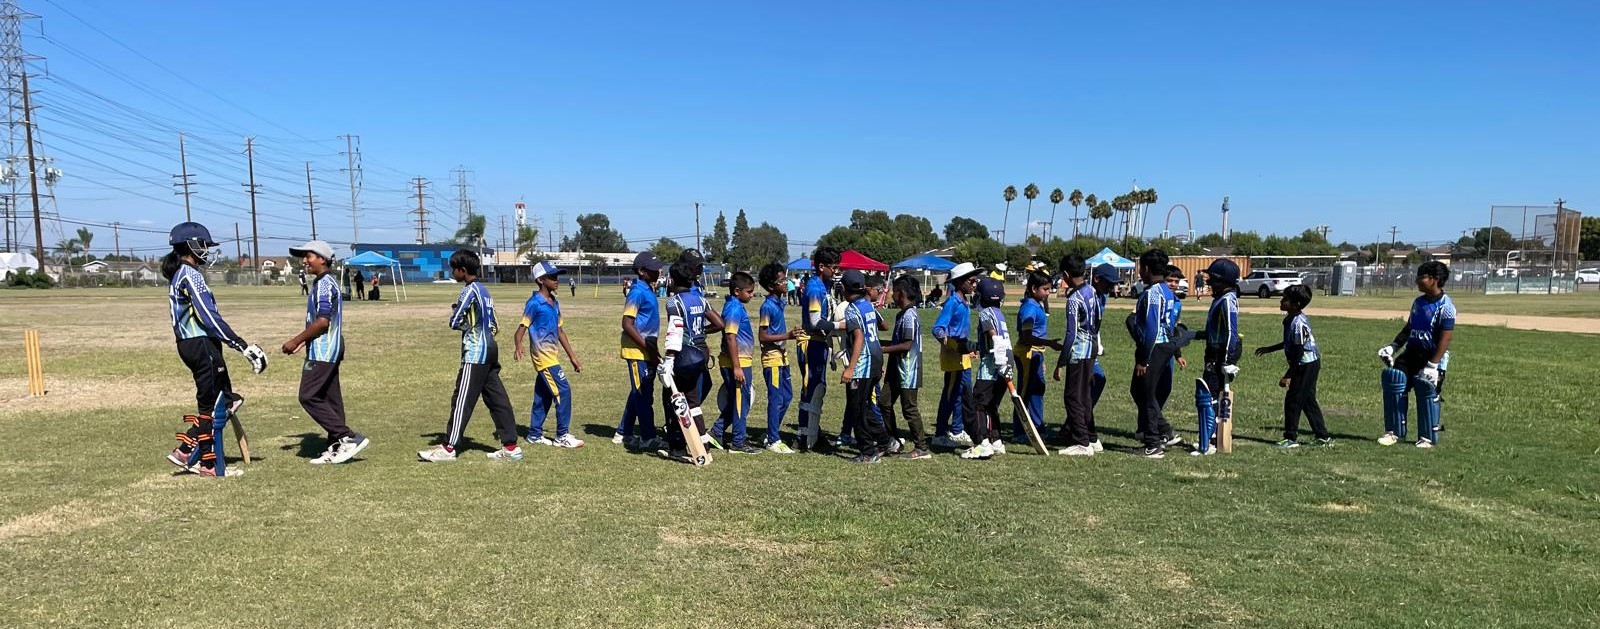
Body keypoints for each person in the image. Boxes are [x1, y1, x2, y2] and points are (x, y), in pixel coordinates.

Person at [161, 222, 267, 477]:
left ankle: (190, 450)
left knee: (224, 400)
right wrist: (241, 345)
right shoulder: (189, 275)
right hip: (200, 344)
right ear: (191, 246)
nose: (208, 251)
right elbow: (208, 316)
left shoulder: (181, 274)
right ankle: (206, 463)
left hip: (192, 345)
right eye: (205, 246)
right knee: (215, 406)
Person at [418, 250, 523, 462]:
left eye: (453, 269)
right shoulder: (485, 291)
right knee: (497, 398)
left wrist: (458, 313)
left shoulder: (468, 291)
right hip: (491, 349)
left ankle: (449, 448)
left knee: (462, 399)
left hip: (475, 352)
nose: (452, 272)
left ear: (462, 270)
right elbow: (495, 325)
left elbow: (455, 321)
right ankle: (511, 446)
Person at [284, 240, 371, 465]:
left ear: (322, 259)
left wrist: (296, 340)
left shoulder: (324, 284)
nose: (304, 261)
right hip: (326, 348)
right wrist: (307, 340)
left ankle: (348, 437)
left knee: (308, 395)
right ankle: (336, 446)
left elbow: (322, 322)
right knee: (331, 399)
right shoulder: (324, 283)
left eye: (309, 256)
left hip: (323, 351)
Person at [1377, 261, 1455, 449]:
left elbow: (1445, 339)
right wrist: (1393, 347)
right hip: (1411, 353)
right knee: (1395, 384)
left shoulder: (1446, 306)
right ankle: (1394, 432)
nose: (1418, 280)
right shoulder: (1418, 302)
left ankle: (1426, 437)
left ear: (1435, 279)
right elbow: (1409, 327)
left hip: (1431, 356)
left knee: (1426, 393)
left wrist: (1433, 365)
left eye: (1423, 277)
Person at [516, 262, 585, 448]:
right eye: (552, 277)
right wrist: (518, 345)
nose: (557, 280)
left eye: (557, 276)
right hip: (543, 358)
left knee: (543, 395)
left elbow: (560, 331)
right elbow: (521, 328)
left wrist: (573, 357)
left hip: (552, 356)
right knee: (563, 391)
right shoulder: (534, 304)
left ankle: (534, 434)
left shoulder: (555, 303)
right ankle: (562, 436)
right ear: (540, 280)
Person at [1254, 285, 1331, 448]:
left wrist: (1289, 375)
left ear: (1295, 304)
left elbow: (1299, 351)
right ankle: (1322, 436)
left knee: (1293, 401)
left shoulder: (1298, 322)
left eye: (1285, 300)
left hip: (1306, 364)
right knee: (1307, 400)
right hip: (1305, 363)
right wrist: (1270, 349)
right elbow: (1291, 343)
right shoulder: (1291, 318)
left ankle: (1291, 438)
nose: (1281, 302)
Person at [659, 259, 720, 459]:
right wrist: (700, 331)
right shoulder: (700, 299)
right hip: (701, 352)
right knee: (693, 401)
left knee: (673, 400)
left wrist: (668, 360)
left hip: (684, 354)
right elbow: (719, 323)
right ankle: (703, 444)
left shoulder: (673, 302)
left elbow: (674, 332)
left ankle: (677, 447)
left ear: (673, 279)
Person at [837, 270, 893, 463]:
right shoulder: (868, 306)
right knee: (866, 405)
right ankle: (885, 441)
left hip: (862, 364)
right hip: (875, 359)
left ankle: (868, 452)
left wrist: (850, 368)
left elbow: (859, 338)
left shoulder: (851, 309)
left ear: (844, 288)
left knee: (856, 408)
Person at [1130, 249, 1179, 458]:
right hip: (1165, 345)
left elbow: (1151, 329)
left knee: (1147, 394)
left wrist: (1143, 358)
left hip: (1154, 347)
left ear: (1147, 269)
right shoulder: (1167, 291)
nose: (1140, 272)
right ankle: (1163, 431)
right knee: (1139, 391)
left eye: (1141, 268)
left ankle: (1153, 443)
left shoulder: (1152, 294)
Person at [614, 252, 666, 449]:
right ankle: (647, 437)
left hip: (647, 351)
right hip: (637, 351)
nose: (659, 272)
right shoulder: (637, 292)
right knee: (643, 395)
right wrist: (647, 347)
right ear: (642, 271)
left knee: (639, 393)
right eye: (654, 269)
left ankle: (623, 432)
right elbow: (627, 323)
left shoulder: (648, 289)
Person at [1193, 259, 1242, 456]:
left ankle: (1211, 441)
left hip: (1221, 352)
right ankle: (1211, 437)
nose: (1209, 282)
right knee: (1213, 392)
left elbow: (1231, 331)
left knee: (1211, 394)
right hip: (1214, 349)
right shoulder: (1219, 298)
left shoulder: (1228, 300)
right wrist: (1192, 335)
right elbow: (1213, 330)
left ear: (1223, 281)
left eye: (1212, 279)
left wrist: (1228, 359)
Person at [797, 247, 844, 450]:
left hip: (820, 343)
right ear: (821, 266)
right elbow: (816, 322)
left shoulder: (825, 286)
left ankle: (813, 434)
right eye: (833, 267)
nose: (836, 271)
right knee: (811, 389)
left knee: (818, 388)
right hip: (811, 342)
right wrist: (838, 326)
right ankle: (804, 437)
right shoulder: (815, 288)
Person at [1052, 255, 1100, 456]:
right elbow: (1098, 320)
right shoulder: (1092, 291)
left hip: (1078, 353)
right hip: (1091, 349)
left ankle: (1082, 442)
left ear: (1065, 275)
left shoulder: (1073, 299)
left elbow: (1071, 334)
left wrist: (1061, 362)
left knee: (1072, 397)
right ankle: (1092, 437)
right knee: (1084, 396)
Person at [932, 262, 982, 449]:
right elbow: (937, 328)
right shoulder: (952, 303)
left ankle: (958, 429)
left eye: (976, 281)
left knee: (964, 394)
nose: (974, 284)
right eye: (971, 281)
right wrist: (951, 344)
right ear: (960, 282)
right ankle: (940, 433)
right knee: (951, 395)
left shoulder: (965, 302)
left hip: (965, 356)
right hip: (954, 357)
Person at [711, 271, 761, 454]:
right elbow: (730, 337)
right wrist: (737, 367)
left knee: (738, 401)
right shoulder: (733, 308)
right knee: (742, 402)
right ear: (737, 291)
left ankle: (716, 432)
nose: (752, 295)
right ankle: (738, 442)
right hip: (736, 362)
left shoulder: (736, 305)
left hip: (740, 361)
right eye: (749, 292)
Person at [881, 275, 930, 460]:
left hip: (909, 368)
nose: (892, 294)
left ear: (901, 293)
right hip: (896, 367)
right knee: (884, 402)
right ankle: (893, 440)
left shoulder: (910, 315)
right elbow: (897, 342)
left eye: (894, 291)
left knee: (909, 408)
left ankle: (921, 447)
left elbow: (907, 345)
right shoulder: (901, 314)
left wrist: (883, 349)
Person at [961, 277, 1011, 459]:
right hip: (1007, 361)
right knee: (991, 405)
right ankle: (996, 440)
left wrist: (997, 358)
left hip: (993, 363)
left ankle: (982, 443)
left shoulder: (985, 313)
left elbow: (993, 334)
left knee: (979, 404)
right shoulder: (999, 312)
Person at [1012, 271, 1060, 442]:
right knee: (1025, 393)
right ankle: (1019, 432)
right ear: (1034, 288)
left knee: (1037, 390)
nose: (1049, 292)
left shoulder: (1036, 305)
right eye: (1045, 289)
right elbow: (1026, 336)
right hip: (1027, 354)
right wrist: (1049, 343)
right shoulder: (1030, 308)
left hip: (1035, 354)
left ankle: (1037, 428)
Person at [757, 263, 799, 453]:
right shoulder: (767, 307)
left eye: (785, 278)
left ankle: (771, 432)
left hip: (783, 357)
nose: (786, 283)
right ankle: (773, 439)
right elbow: (763, 336)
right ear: (772, 286)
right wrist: (787, 336)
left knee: (787, 397)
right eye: (781, 280)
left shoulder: (780, 302)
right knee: (776, 398)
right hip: (772, 359)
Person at [1155, 265, 1189, 411]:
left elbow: (1174, 329)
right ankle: (1146, 425)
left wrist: (1178, 354)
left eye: (1176, 281)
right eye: (1170, 280)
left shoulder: (1177, 303)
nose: (1173, 284)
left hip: (1169, 350)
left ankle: (1155, 419)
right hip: (1155, 349)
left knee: (1165, 388)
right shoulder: (1155, 298)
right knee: (1151, 388)